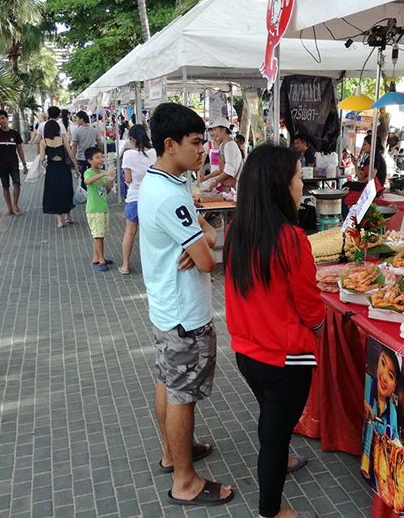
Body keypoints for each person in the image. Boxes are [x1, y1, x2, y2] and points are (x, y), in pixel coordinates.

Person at [137, 103, 233, 507]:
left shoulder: (165, 182)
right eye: (195, 143)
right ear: (170, 144)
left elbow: (205, 235)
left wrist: (200, 238)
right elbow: (209, 260)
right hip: (183, 315)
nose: (202, 150)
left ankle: (173, 452)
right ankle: (185, 481)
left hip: (166, 308)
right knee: (182, 395)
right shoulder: (168, 196)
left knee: (167, 382)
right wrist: (201, 242)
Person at [224, 144, 325, 518]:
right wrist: (319, 328)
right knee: (275, 436)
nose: (302, 186)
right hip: (286, 359)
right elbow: (310, 304)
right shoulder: (291, 238)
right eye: (298, 178)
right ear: (280, 186)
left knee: (271, 421)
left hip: (246, 353)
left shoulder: (236, 230)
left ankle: (280, 461)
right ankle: (270, 510)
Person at [361, 346, 401, 487]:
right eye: (382, 363)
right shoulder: (365, 384)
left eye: (391, 376)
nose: (384, 377)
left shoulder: (392, 412)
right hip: (363, 461)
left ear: (394, 386)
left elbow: (395, 438)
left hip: (380, 475)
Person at [119, 125, 156, 275]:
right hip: (152, 198)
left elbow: (128, 179)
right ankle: (153, 265)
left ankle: (125, 265)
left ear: (132, 139)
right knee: (152, 233)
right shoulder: (154, 153)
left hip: (134, 196)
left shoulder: (128, 155)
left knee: (130, 232)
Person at [83, 147, 116, 271]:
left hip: (103, 208)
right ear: (89, 160)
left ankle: (96, 257)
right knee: (98, 236)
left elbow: (106, 190)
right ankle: (101, 260)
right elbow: (87, 182)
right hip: (94, 209)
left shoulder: (102, 173)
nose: (100, 159)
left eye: (101, 157)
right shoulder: (89, 172)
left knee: (100, 234)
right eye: (97, 157)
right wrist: (103, 174)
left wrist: (111, 181)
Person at [0, 109, 28, 215]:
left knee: (17, 183)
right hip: (2, 164)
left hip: (13, 163)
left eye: (3, 118)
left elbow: (20, 149)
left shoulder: (15, 133)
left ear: (7, 118)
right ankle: (9, 207)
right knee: (5, 186)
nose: (1, 121)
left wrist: (24, 164)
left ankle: (15, 205)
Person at [40, 120, 78, 228]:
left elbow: (42, 159)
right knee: (66, 190)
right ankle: (68, 216)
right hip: (64, 168)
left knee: (54, 192)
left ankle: (59, 221)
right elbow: (71, 155)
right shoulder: (62, 138)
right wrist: (76, 168)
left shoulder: (43, 142)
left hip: (52, 170)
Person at [202, 118, 243, 191]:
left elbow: (229, 170)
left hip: (234, 187)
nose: (213, 133)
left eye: (215, 129)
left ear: (223, 130)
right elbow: (221, 169)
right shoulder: (223, 145)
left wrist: (215, 181)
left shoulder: (229, 146)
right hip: (227, 186)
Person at [72, 111, 104, 187]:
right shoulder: (94, 130)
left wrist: (73, 157)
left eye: (77, 118)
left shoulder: (76, 131)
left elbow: (74, 146)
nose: (76, 120)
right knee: (93, 175)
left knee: (83, 177)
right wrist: (101, 154)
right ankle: (93, 190)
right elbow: (99, 143)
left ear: (82, 119)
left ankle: (84, 191)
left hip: (80, 157)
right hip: (92, 157)